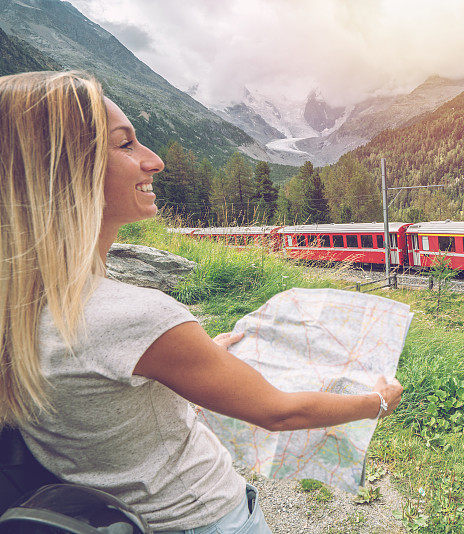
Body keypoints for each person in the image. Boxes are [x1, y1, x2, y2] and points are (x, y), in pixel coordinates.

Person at [0, 71, 404, 533]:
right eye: (125, 144)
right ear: (66, 169)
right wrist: (377, 402)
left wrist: (178, 358)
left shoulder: (20, 305)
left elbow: (99, 408)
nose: (154, 161)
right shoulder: (133, 315)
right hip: (205, 519)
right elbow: (279, 411)